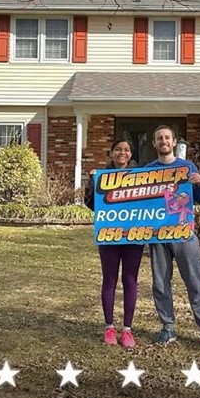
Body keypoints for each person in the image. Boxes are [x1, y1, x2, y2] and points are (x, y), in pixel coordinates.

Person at [144, 125, 200, 350]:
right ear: (154, 144)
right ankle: (168, 327)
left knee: (195, 281)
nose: (163, 141)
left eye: (167, 137)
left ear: (174, 142)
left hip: (185, 233)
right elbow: (140, 203)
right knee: (160, 283)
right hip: (158, 236)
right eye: (159, 138)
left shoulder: (187, 167)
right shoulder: (147, 170)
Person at [84, 138, 143, 349]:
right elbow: (91, 205)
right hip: (109, 235)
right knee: (109, 280)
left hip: (134, 236)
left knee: (130, 280)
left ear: (131, 153)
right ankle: (109, 327)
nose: (122, 153)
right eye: (118, 149)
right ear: (111, 153)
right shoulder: (102, 176)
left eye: (126, 150)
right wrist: (91, 182)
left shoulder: (142, 177)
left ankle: (127, 329)